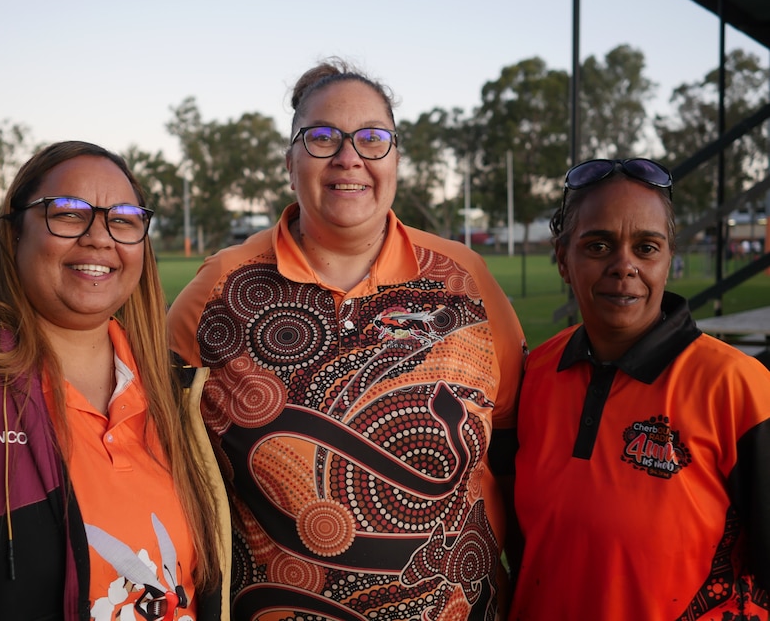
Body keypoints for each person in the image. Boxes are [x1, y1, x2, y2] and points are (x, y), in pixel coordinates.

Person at [168, 58, 527, 620]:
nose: (348, 157)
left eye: (372, 138)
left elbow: (512, 446)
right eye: (321, 138)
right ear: (290, 161)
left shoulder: (466, 278)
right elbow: (154, 441)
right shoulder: (220, 288)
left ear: (396, 159)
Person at [0, 141, 230, 620]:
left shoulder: (171, 388)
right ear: (14, 232)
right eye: (69, 213)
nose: (100, 238)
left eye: (123, 219)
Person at [509, 158, 770, 620]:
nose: (623, 266)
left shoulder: (738, 388)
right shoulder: (535, 372)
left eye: (646, 247)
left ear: (668, 260)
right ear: (563, 260)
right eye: (598, 245)